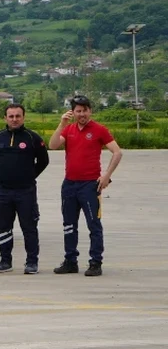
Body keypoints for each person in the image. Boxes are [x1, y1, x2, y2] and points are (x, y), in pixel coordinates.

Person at [49, 95, 122, 277]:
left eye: (85, 110)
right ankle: (70, 261)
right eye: (78, 111)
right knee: (69, 225)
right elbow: (53, 145)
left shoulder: (99, 130)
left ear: (90, 110)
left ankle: (95, 262)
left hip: (90, 185)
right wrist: (62, 125)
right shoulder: (69, 129)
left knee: (93, 224)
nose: (82, 114)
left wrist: (106, 176)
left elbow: (117, 152)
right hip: (69, 184)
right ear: (73, 112)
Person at [0, 103, 49, 275]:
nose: (14, 119)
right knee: (3, 227)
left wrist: (29, 176)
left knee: (29, 227)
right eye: (11, 116)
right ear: (5, 118)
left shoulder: (33, 138)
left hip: (25, 191)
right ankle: (5, 261)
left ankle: (32, 262)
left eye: (18, 116)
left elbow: (43, 161)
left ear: (23, 117)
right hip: (2, 192)